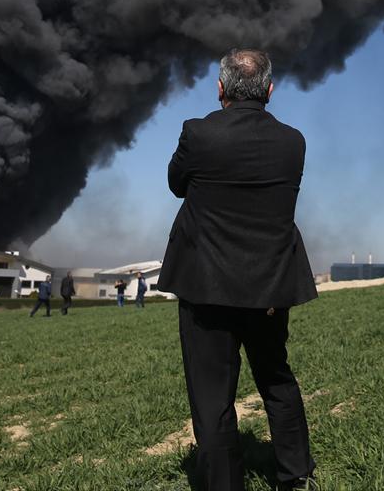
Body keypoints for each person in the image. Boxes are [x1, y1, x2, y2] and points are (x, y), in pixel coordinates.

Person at [157, 48, 317, 491]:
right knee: (276, 377)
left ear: (220, 88)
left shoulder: (198, 133)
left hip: (205, 286)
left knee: (212, 397)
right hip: (270, 285)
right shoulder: (293, 141)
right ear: (270, 90)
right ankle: (295, 475)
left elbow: (176, 184)